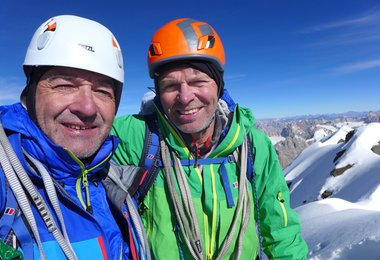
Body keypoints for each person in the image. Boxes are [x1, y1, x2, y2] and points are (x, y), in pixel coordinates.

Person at [111, 18, 308, 259]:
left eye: (198, 81)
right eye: (171, 85)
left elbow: (281, 232)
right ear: (158, 93)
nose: (185, 97)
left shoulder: (252, 146)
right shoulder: (136, 139)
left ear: (218, 85)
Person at [0, 15, 149, 259]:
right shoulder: (6, 176)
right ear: (30, 94)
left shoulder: (109, 182)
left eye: (102, 91)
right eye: (64, 85)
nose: (87, 108)